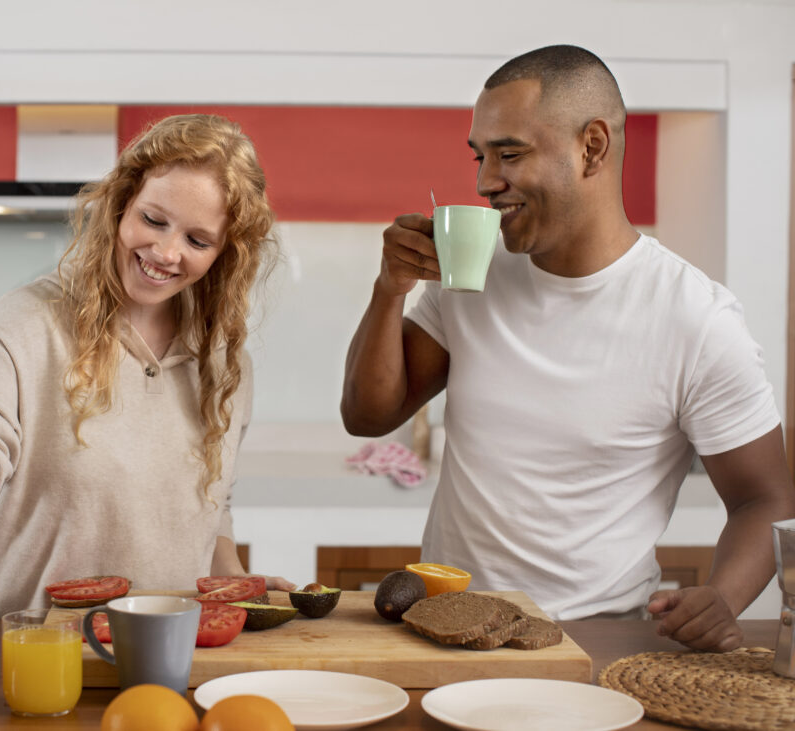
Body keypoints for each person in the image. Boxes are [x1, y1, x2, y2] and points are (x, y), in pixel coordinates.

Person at [341, 45, 795, 652]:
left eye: (510, 153)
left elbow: (765, 496)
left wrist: (723, 597)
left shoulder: (697, 319)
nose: (484, 182)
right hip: (444, 626)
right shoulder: (473, 277)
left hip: (594, 641)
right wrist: (389, 290)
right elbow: (367, 415)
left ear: (593, 147)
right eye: (480, 156)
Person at [0, 113, 294, 618]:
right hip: (16, 655)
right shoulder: (27, 323)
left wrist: (235, 583)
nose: (166, 252)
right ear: (122, 206)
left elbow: (208, 514)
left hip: (156, 658)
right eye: (154, 220)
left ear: (223, 255)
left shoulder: (226, 368)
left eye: (197, 240)